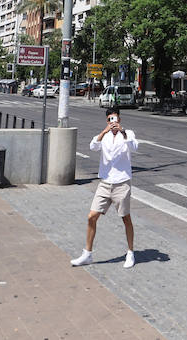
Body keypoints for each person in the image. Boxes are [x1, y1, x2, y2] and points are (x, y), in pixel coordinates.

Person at [70, 110, 137, 268]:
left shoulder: (128, 133)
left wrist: (123, 132)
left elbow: (134, 147)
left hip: (122, 183)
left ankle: (130, 252)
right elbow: (93, 146)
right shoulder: (104, 135)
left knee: (125, 218)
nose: (112, 122)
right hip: (105, 183)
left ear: (119, 119)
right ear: (107, 121)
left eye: (114, 119)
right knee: (91, 216)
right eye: (109, 119)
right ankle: (87, 254)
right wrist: (104, 132)